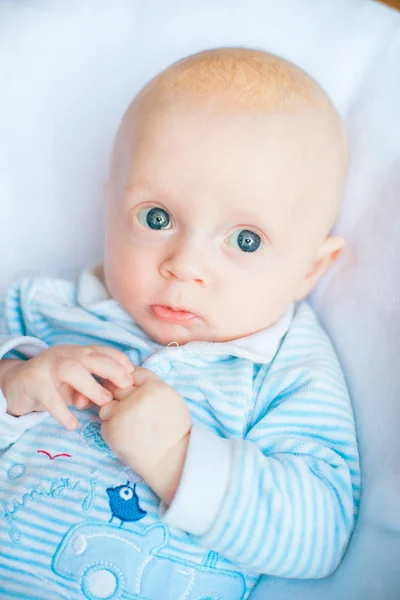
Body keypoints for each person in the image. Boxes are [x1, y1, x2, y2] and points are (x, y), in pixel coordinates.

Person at [0, 47, 360, 600]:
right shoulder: (44, 309)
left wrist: (179, 457)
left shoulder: (286, 369)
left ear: (308, 269)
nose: (184, 265)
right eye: (156, 217)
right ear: (110, 209)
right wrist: (13, 384)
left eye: (245, 239)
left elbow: (320, 531)